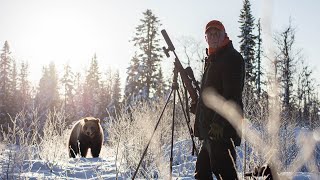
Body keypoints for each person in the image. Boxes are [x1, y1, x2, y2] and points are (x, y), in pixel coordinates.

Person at [194, 20, 245, 180]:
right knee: (202, 173)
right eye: (210, 33)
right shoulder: (213, 59)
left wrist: (219, 123)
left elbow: (232, 94)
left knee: (226, 174)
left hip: (223, 129)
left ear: (224, 35)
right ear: (206, 38)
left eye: (217, 33)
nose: (214, 36)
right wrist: (198, 107)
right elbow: (212, 94)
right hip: (211, 131)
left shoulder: (232, 58)